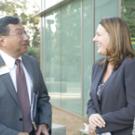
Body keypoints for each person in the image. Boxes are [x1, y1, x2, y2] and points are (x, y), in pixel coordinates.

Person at [0, 16, 52, 135]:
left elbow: (42, 97)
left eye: (25, 32)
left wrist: (44, 122)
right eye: (19, 33)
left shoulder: (32, 63)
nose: (26, 37)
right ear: (2, 41)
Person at [87, 17, 135, 135]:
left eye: (98, 35)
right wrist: (92, 115)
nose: (94, 39)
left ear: (113, 36)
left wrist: (99, 123)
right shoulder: (97, 66)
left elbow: (132, 110)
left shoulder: (131, 65)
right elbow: (92, 101)